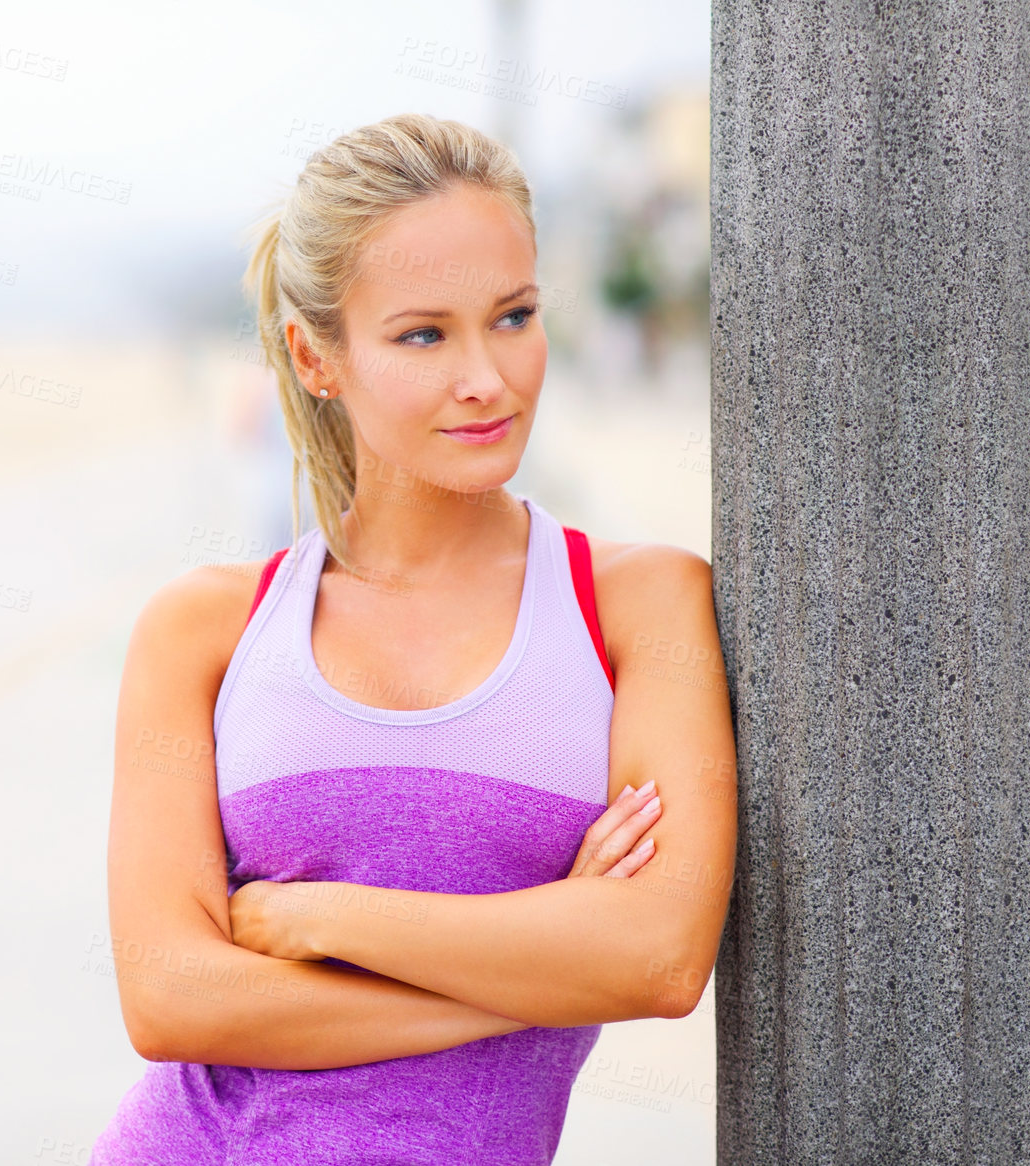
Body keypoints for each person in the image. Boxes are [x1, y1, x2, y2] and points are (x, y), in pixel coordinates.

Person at [93, 112, 737, 1165]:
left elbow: (660, 959)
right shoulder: (205, 630)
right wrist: (544, 967)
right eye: (424, 334)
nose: (487, 375)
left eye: (515, 316)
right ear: (316, 356)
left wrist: (320, 917)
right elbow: (171, 996)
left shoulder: (638, 607)